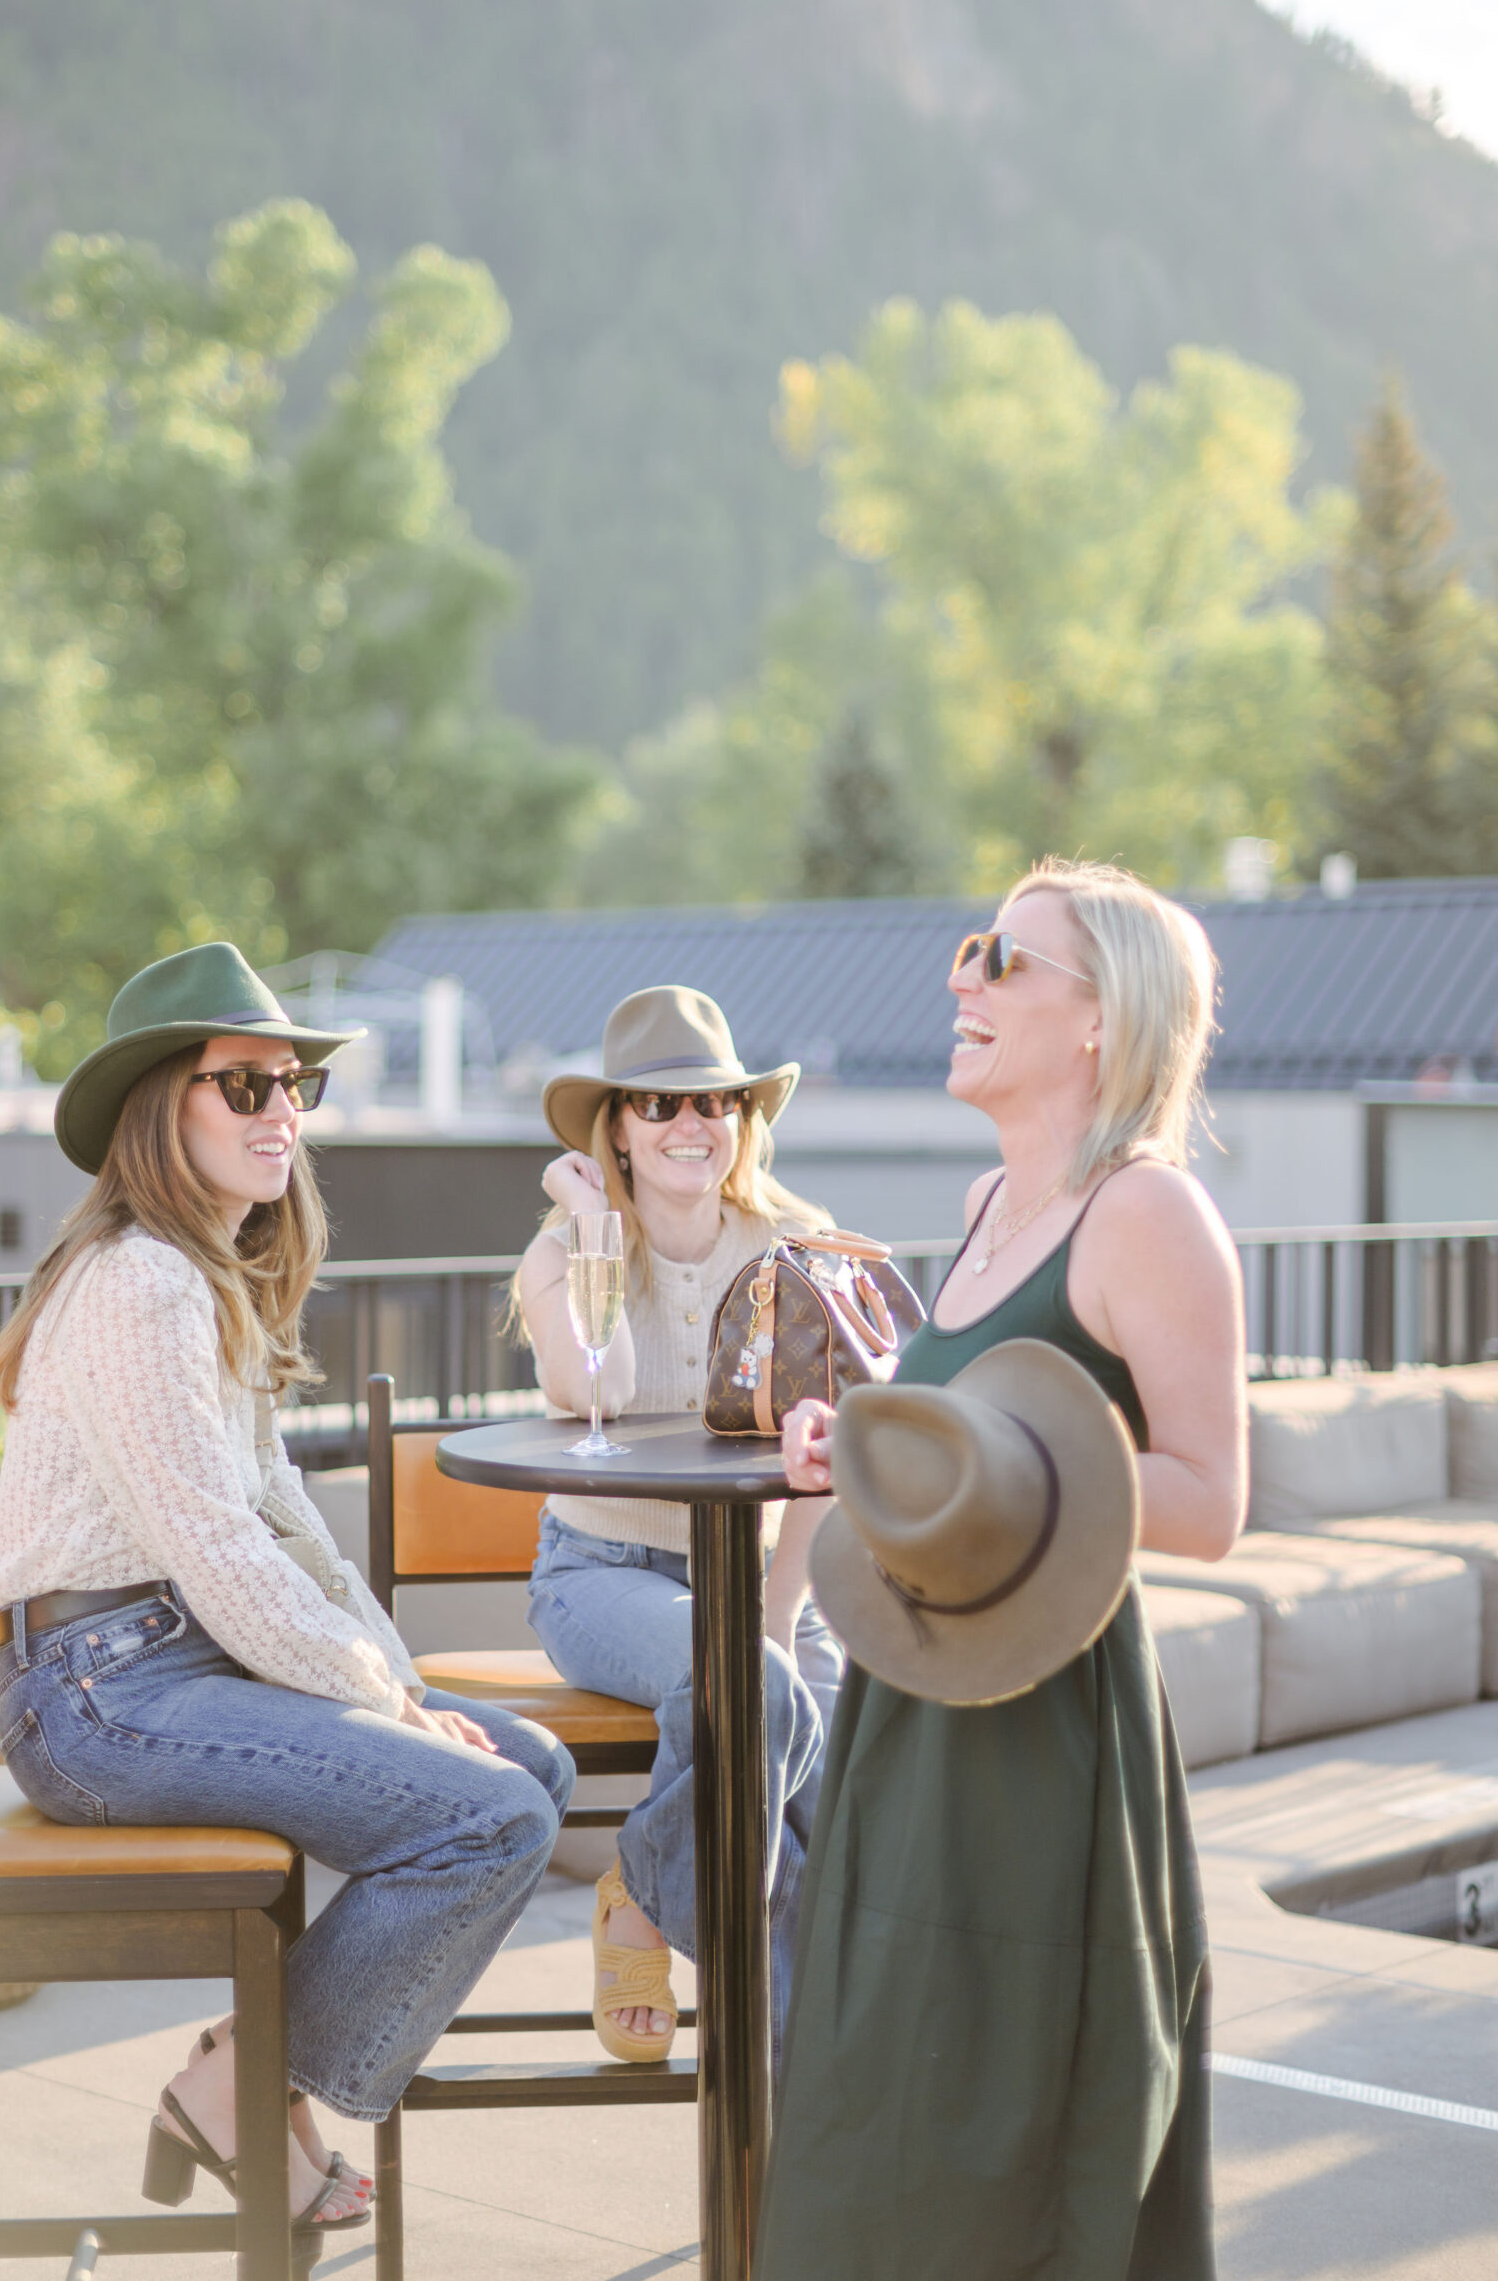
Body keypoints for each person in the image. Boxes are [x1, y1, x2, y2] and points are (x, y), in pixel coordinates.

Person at [0, 944, 574, 2237]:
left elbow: (286, 1523)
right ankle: (250, 2095)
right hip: (96, 1694)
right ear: (159, 1112)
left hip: (160, 1663)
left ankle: (242, 2080)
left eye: (291, 1082)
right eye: (240, 1085)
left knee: (528, 1774)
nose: (281, 1111)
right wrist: (387, 1700)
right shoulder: (139, 1279)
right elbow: (215, 1547)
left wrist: (397, 1681)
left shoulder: (202, 1276)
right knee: (486, 1819)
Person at [758, 859, 1246, 2281]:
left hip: (1045, 1734)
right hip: (907, 1704)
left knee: (1009, 2124)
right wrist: (860, 1442)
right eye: (971, 949)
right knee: (873, 2098)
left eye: (1003, 961)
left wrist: (965, 1455)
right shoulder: (984, 1206)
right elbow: (956, 1456)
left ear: (1102, 1021)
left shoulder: (1145, 1216)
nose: (960, 979)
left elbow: (1210, 1503)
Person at [515, 985, 842, 2064]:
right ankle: (789, 2091)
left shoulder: (798, 1250)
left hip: (757, 1577)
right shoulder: (562, 1257)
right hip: (602, 1574)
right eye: (657, 1105)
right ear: (615, 1126)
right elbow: (589, 1386)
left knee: (849, 1774)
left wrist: (778, 1615)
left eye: (715, 1100)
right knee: (759, 1693)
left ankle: (649, 1887)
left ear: (744, 1119)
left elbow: (821, 1462)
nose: (691, 1123)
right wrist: (596, 1228)